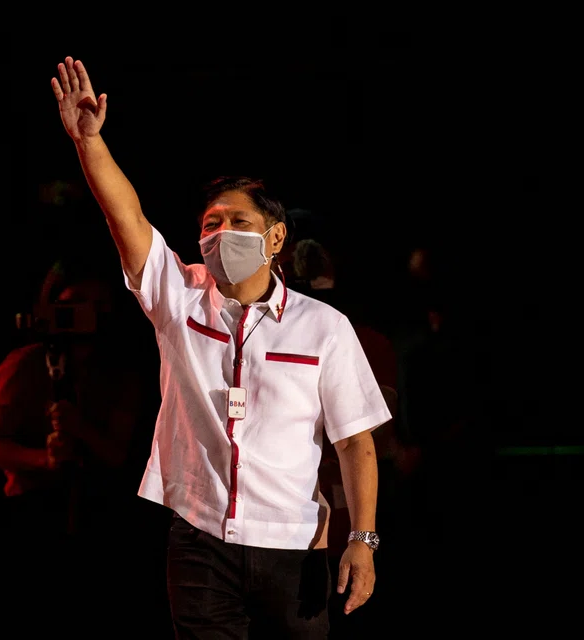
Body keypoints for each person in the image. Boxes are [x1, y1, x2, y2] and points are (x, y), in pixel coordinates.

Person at [50, 56, 391, 637]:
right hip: (200, 538)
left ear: (275, 238)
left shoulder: (324, 326)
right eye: (211, 224)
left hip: (293, 545)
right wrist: (89, 144)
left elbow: (355, 441)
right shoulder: (177, 296)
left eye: (238, 222)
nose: (220, 234)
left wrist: (363, 539)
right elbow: (126, 216)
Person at [0, 259, 144, 636]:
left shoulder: (120, 372)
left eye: (98, 304)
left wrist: (80, 428)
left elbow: (117, 453)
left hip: (99, 510)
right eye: (75, 303)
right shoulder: (24, 364)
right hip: (30, 511)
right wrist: (46, 459)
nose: (86, 314)